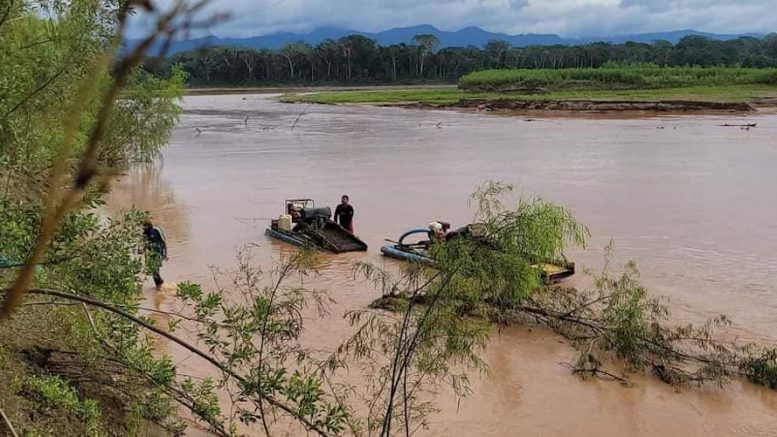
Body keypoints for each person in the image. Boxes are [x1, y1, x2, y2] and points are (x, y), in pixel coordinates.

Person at [143, 220, 168, 288]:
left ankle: (161, 285)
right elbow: (144, 245)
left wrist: (166, 254)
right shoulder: (145, 233)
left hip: (158, 253)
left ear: (149, 225)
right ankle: (160, 286)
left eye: (145, 226)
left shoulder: (156, 230)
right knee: (153, 272)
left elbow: (164, 241)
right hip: (151, 254)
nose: (144, 228)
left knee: (155, 270)